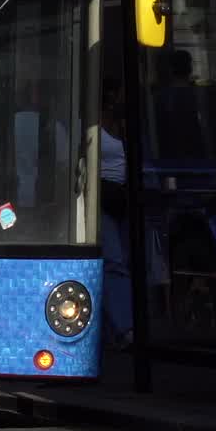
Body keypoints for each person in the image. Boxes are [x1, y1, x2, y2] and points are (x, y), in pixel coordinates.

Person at [98, 85, 134, 351]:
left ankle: (115, 326)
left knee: (123, 260)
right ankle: (124, 327)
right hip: (103, 195)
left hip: (125, 196)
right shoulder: (93, 126)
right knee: (114, 261)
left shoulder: (126, 125)